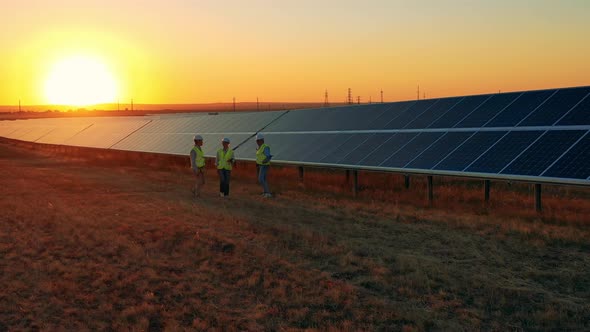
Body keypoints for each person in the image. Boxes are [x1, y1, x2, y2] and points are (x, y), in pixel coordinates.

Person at [255, 133, 272, 197]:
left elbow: (268, 156)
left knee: (261, 179)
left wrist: (266, 160)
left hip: (264, 165)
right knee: (263, 179)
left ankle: (267, 193)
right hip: (260, 165)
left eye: (258, 140)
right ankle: (265, 192)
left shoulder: (265, 147)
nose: (257, 142)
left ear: (262, 140)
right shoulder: (259, 147)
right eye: (257, 141)